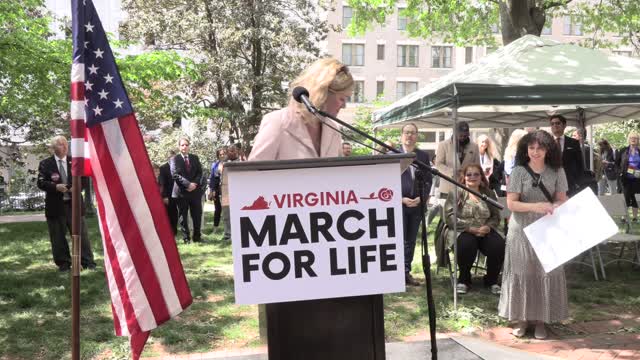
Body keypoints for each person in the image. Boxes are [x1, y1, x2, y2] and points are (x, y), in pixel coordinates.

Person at [499, 130, 569, 340]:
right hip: (520, 230)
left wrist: (553, 206)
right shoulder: (518, 171)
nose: (535, 152)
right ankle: (521, 319)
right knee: (522, 272)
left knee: (544, 272)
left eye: (540, 148)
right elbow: (511, 203)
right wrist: (536, 206)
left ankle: (541, 321)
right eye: (531, 148)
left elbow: (561, 199)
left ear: (548, 150)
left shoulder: (557, 171)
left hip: (548, 229)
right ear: (525, 149)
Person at [443, 163, 505, 295]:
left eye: (476, 174)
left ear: (481, 177)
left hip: (484, 229)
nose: (472, 177)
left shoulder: (488, 193)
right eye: (468, 174)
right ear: (464, 177)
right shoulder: (456, 192)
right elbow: (449, 216)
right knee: (466, 244)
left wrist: (488, 227)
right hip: (462, 230)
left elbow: (495, 216)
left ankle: (492, 280)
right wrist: (468, 228)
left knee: (498, 245)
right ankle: (464, 280)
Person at [37, 135, 96, 272]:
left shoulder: (75, 162)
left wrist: (76, 187)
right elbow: (41, 182)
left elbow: (85, 180)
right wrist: (55, 187)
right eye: (60, 144)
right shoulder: (46, 164)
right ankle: (64, 264)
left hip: (74, 205)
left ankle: (88, 262)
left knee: (81, 235)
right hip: (56, 207)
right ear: (53, 148)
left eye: (65, 144)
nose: (64, 147)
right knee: (58, 237)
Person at [397, 123, 433, 286]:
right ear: (401, 135)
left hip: (417, 204)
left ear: (417, 136)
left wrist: (422, 197)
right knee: (399, 239)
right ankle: (397, 272)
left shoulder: (423, 156)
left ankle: (406, 272)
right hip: (399, 204)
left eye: (413, 133)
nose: (409, 136)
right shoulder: (392, 154)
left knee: (411, 239)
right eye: (406, 132)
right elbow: (386, 183)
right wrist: (400, 199)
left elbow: (428, 180)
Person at [171, 137, 204, 243]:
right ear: (179, 147)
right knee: (183, 217)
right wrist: (188, 184)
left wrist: (194, 184)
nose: (184, 147)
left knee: (197, 215)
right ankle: (186, 238)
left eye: (186, 145)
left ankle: (197, 237)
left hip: (195, 192)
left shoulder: (195, 158)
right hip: (181, 193)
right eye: (182, 145)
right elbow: (175, 174)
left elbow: (200, 172)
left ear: (189, 146)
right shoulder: (174, 159)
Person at [435, 121, 480, 197]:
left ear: (468, 134)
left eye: (465, 136)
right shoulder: (443, 145)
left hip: (467, 189)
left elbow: (477, 166)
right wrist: (452, 173)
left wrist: (468, 173)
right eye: (460, 135)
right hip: (447, 189)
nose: (462, 138)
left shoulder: (474, 146)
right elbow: (438, 164)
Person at [549, 115, 585, 196]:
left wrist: (578, 182)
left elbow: (580, 164)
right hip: (551, 184)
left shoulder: (573, 143)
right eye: (552, 124)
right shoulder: (546, 143)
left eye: (558, 123)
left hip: (570, 184)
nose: (555, 126)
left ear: (564, 125)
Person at [616, 132, 640, 221]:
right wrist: (619, 173)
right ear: (628, 140)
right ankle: (624, 217)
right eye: (631, 138)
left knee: (635, 197)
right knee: (625, 197)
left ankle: (635, 217)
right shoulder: (623, 150)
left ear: (638, 140)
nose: (633, 139)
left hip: (637, 179)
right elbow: (616, 164)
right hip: (625, 179)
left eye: (635, 138)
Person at [220, 145, 240, 242]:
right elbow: (217, 174)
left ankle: (238, 234)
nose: (231, 152)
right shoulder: (223, 163)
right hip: (226, 191)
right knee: (226, 215)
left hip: (238, 191)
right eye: (229, 151)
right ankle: (228, 234)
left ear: (237, 151)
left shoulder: (242, 163)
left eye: (233, 150)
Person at [159, 150, 178, 235]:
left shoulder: (178, 166)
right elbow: (163, 183)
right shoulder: (163, 168)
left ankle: (175, 230)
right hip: (169, 195)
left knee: (177, 213)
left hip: (179, 194)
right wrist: (165, 196)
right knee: (171, 213)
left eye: (173, 157)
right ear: (167, 158)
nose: (172, 158)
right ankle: (171, 231)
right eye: (170, 157)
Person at [207, 147, 226, 229]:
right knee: (217, 208)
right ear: (218, 156)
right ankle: (215, 227)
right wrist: (211, 191)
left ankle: (228, 228)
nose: (222, 156)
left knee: (227, 209)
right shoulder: (215, 165)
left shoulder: (229, 164)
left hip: (227, 189)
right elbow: (212, 178)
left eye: (223, 154)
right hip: (217, 189)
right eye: (220, 154)